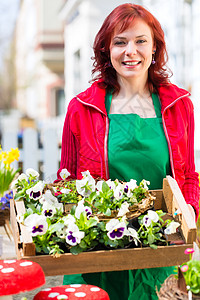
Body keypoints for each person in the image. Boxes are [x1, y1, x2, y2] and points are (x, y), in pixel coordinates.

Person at [57, 3, 199, 300]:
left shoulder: (179, 105)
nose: (130, 51)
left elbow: (187, 178)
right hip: (96, 253)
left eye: (140, 41)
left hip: (160, 253)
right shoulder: (82, 108)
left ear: (155, 48)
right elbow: (65, 182)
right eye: (120, 42)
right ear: (106, 50)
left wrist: (189, 227)